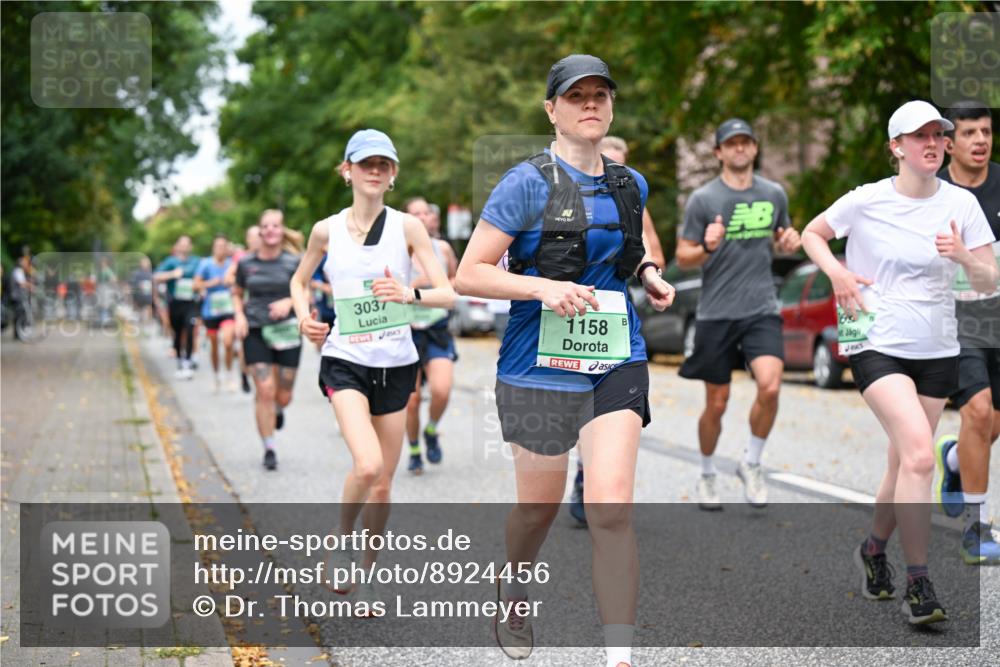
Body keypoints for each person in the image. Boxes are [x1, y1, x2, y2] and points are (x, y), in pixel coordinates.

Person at [455, 55, 675, 667]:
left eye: (600, 95)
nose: (591, 104)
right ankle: (516, 583)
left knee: (609, 507)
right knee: (538, 507)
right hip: (536, 363)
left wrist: (650, 275)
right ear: (551, 110)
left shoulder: (631, 184)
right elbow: (468, 274)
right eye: (576, 96)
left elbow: (628, 252)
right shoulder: (525, 183)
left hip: (614, 356)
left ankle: (619, 656)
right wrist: (542, 289)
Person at [802, 100, 997, 625]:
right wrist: (839, 276)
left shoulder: (962, 205)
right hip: (873, 338)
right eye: (920, 136)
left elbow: (990, 281)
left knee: (900, 465)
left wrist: (964, 258)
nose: (932, 143)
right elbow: (811, 234)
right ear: (896, 147)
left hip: (937, 346)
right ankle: (919, 583)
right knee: (918, 456)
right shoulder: (866, 200)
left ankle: (872, 549)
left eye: (939, 135)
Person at [291, 129, 456, 608]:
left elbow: (447, 292)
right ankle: (341, 539)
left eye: (384, 165)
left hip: (397, 362)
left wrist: (411, 294)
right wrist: (305, 319)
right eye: (366, 164)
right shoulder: (326, 229)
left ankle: (366, 577)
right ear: (347, 171)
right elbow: (299, 281)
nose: (375, 171)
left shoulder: (409, 228)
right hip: (345, 359)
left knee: (384, 483)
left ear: (393, 176)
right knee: (367, 465)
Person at [676, 118, 801, 510]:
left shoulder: (773, 194)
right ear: (718, 153)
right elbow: (683, 256)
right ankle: (708, 472)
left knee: (770, 386)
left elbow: (782, 240)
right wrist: (708, 246)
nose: (740, 149)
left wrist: (788, 241)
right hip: (716, 312)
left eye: (746, 142)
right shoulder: (703, 199)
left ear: (755, 147)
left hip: (761, 308)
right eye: (732, 144)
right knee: (717, 402)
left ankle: (752, 462)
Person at [569, 136, 668, 525]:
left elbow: (651, 247)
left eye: (620, 162)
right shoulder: (567, 191)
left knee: (607, 410)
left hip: (612, 322)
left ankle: (591, 475)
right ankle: (584, 469)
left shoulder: (632, 193)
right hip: (566, 316)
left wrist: (649, 272)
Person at [932, 101, 1000, 565]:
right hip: (955, 320)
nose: (981, 140)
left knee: (992, 422)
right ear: (949, 143)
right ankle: (978, 529)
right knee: (977, 411)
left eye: (987, 131)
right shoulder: (931, 193)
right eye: (970, 133)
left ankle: (955, 460)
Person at [233, 211, 303, 470]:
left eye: (276, 225)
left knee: (283, 395)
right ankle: (269, 447)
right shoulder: (246, 263)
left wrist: (289, 301)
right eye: (266, 226)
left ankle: (279, 409)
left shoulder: (293, 262)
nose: (271, 230)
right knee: (264, 390)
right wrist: (239, 315)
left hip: (287, 331)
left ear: (282, 230)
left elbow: (303, 291)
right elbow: (237, 292)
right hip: (255, 329)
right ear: (260, 232)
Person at [402, 196, 460, 474]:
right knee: (410, 400)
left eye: (427, 212)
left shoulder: (442, 248)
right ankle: (414, 450)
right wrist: (414, 286)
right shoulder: (396, 250)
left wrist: (436, 287)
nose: (423, 217)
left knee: (442, 390)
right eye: (416, 213)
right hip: (407, 332)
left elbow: (457, 281)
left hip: (436, 329)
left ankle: (431, 429)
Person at [154, 236, 201, 379]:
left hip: (191, 302)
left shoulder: (196, 261)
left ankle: (188, 360)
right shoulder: (170, 262)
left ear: (190, 247)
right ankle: (181, 361)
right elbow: (156, 276)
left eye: (187, 244)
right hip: (175, 303)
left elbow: (203, 276)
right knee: (178, 333)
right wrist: (172, 274)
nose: (184, 247)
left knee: (191, 327)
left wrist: (200, 285)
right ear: (177, 246)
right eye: (181, 244)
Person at [195, 236, 238, 392]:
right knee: (214, 345)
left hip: (228, 309)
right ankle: (216, 377)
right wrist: (209, 283)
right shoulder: (205, 264)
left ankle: (229, 375)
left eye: (223, 246)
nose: (220, 249)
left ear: (227, 248)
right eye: (217, 246)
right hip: (210, 311)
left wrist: (233, 284)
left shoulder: (231, 265)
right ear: (213, 248)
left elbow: (239, 282)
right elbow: (195, 284)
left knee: (227, 341)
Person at [228, 225, 262, 393]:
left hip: (264, 310)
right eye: (253, 237)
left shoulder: (267, 255)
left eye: (258, 236)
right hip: (246, 310)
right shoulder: (242, 258)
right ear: (247, 239)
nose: (256, 240)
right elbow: (228, 277)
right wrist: (241, 282)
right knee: (244, 347)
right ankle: (244, 374)